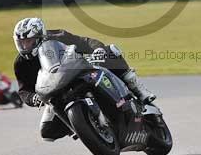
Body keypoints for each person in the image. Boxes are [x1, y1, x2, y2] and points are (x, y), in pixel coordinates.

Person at [12, 17, 156, 142]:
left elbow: (85, 42)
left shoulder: (57, 36)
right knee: (47, 131)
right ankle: (83, 128)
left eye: (29, 41)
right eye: (21, 42)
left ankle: (138, 89)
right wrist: (33, 98)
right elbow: (24, 90)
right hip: (54, 92)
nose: (24, 46)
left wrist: (97, 50)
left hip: (76, 72)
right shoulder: (21, 63)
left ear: (40, 36)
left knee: (110, 51)